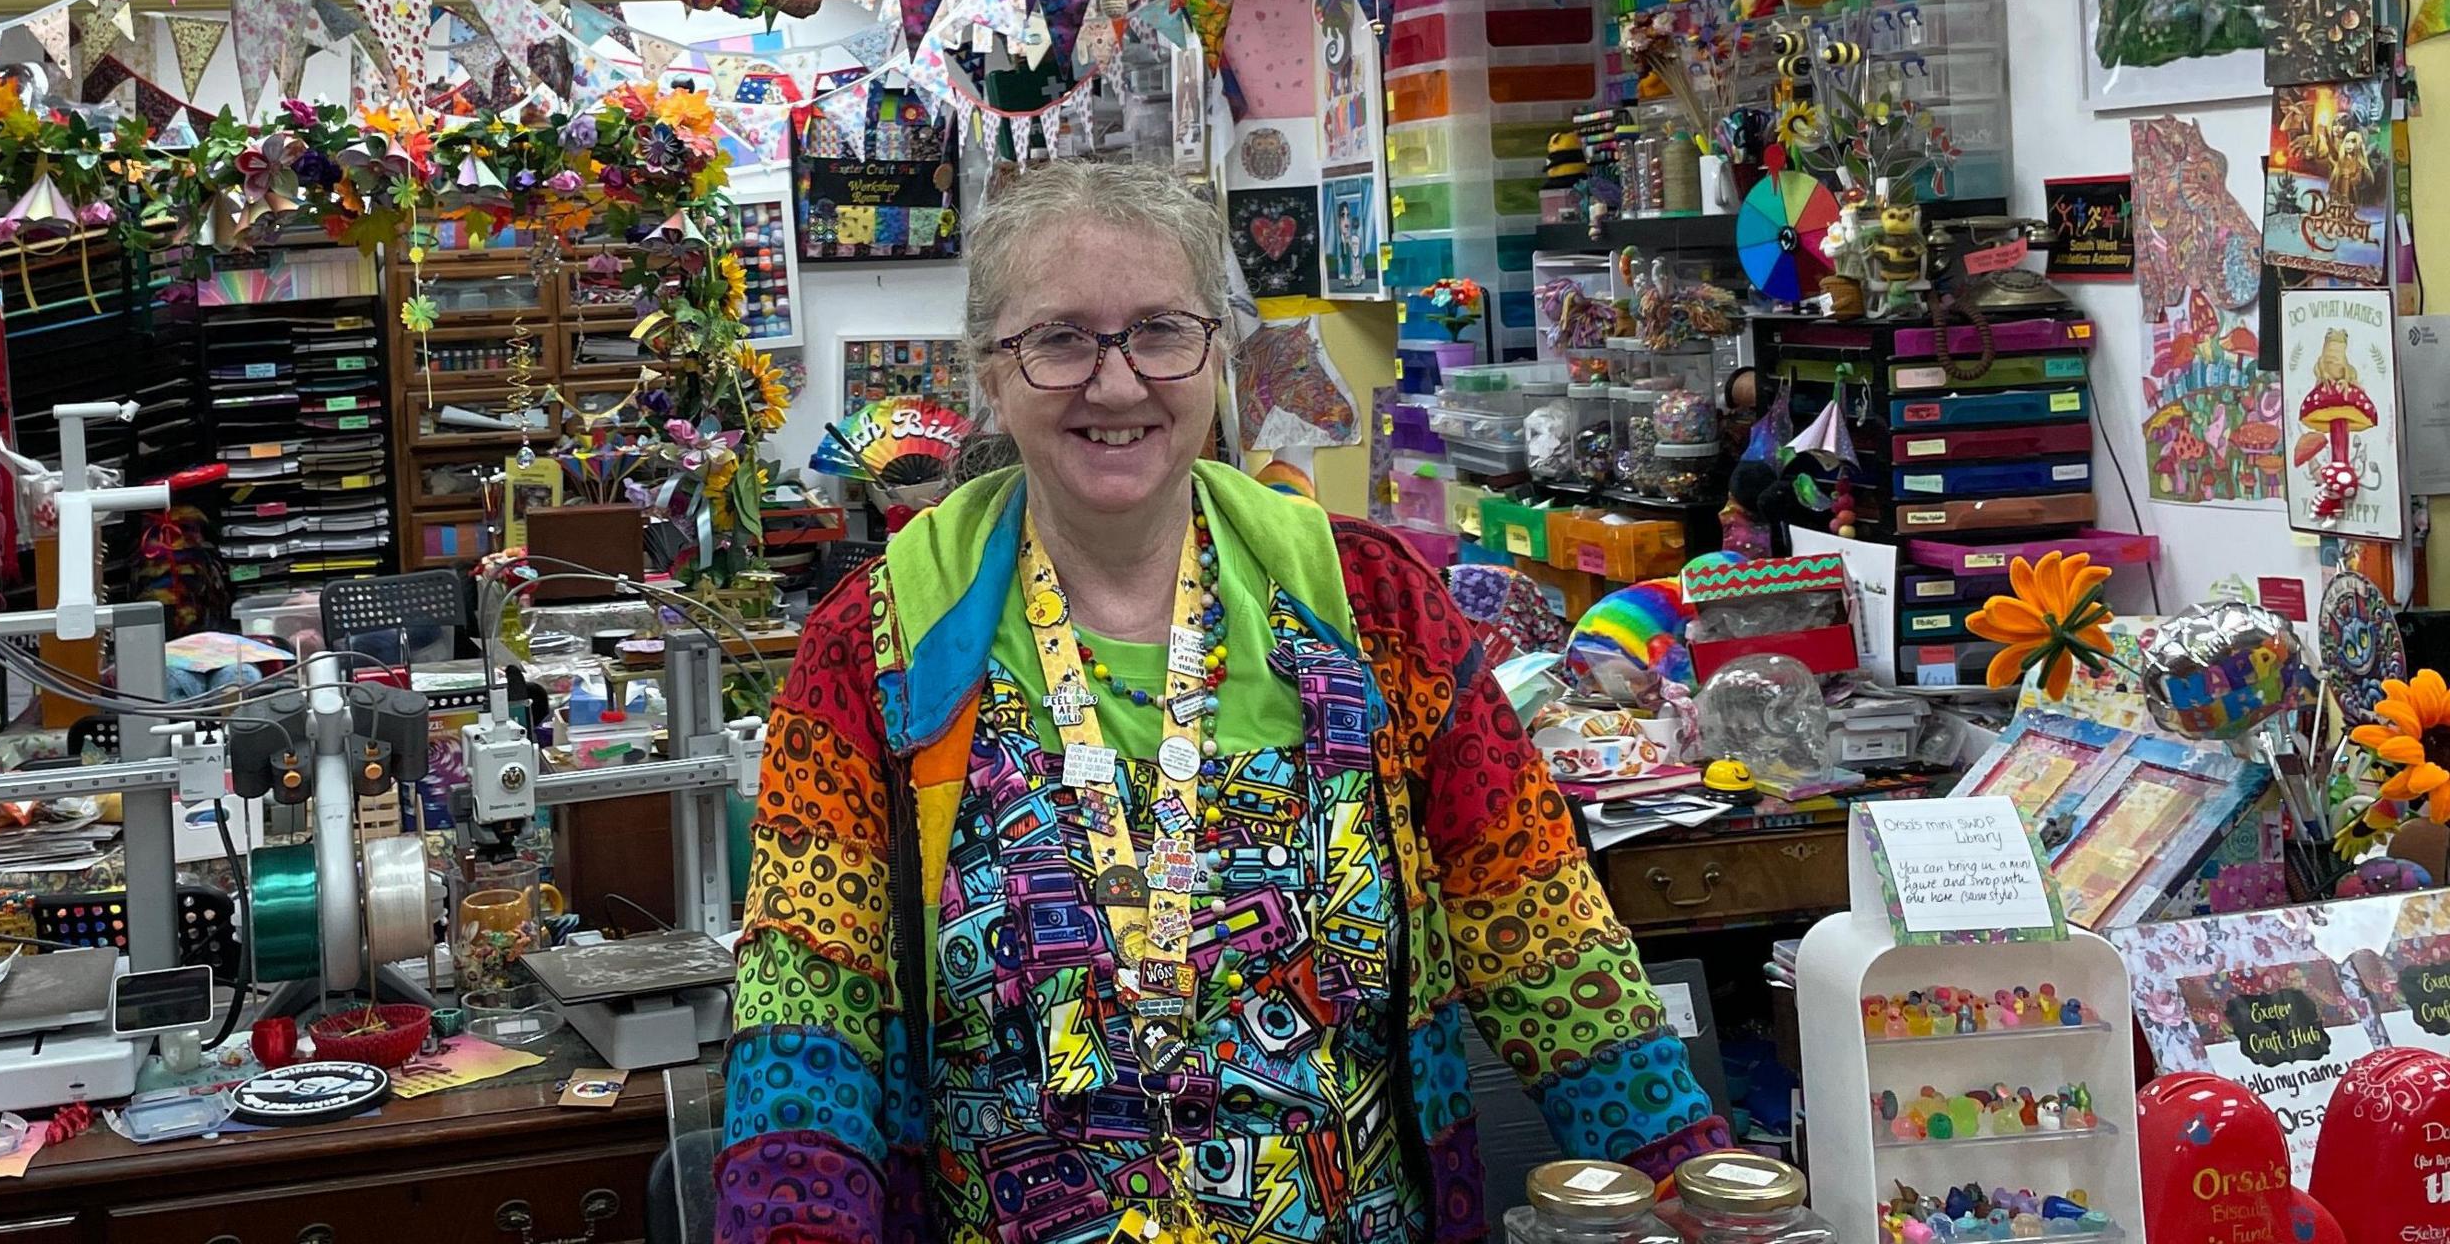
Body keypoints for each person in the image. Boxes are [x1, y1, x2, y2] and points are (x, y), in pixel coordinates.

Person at [716, 160, 1726, 1244]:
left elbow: (1540, 932)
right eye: (1060, 339)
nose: (1117, 386)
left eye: (1160, 331)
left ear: (1218, 354)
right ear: (990, 373)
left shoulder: (1374, 608)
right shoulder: (879, 645)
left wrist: (1692, 1186)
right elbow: (804, 1006)